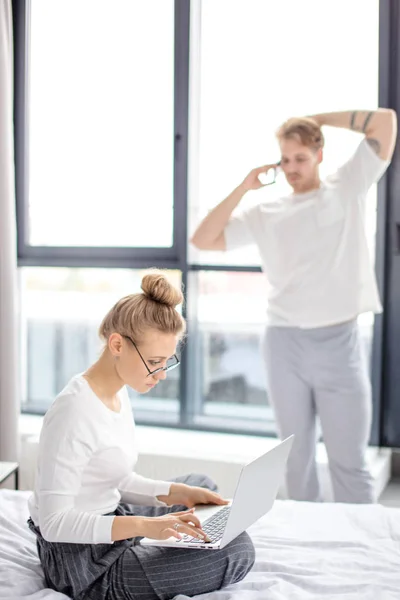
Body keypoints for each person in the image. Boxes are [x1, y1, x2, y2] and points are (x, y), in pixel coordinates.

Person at [191, 109, 397, 504]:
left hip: (340, 342)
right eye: (285, 160)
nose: (291, 168)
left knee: (348, 462)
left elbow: (384, 122)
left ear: (320, 154)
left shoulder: (347, 186)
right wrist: (244, 187)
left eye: (300, 158)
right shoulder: (266, 213)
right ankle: (309, 547)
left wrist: (316, 118)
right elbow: (203, 238)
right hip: (284, 343)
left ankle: (361, 549)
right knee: (295, 460)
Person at [27, 271, 255, 600]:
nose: (161, 375)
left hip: (110, 520)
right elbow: (54, 523)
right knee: (239, 550)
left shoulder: (118, 391)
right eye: (154, 362)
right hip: (82, 563)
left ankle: (172, 520)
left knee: (201, 487)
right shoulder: (73, 412)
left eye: (167, 362)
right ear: (117, 344)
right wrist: (144, 527)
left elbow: (114, 480)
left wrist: (180, 492)